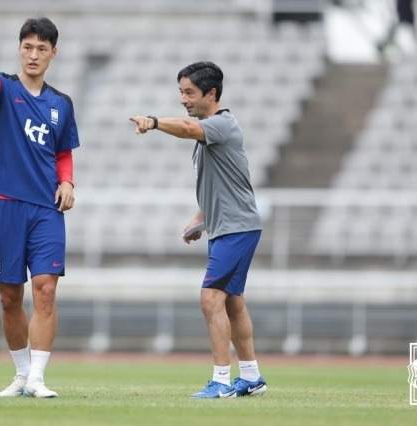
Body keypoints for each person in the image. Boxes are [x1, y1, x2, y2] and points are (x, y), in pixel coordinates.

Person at [129, 61, 267, 399]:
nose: (183, 99)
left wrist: (155, 122)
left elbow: (189, 129)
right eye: (181, 92)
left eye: (189, 92)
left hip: (237, 229)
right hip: (229, 227)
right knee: (232, 302)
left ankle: (221, 382)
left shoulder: (221, 124)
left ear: (211, 94)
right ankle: (251, 377)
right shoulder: (214, 130)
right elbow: (224, 186)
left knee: (210, 299)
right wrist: (201, 218)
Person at [0, 17, 79, 398]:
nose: (33, 55)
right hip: (4, 203)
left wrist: (67, 181)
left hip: (46, 208)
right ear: (19, 49)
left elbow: (63, 152)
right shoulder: (3, 88)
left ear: (53, 53)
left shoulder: (61, 103)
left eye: (41, 49)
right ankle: (21, 374)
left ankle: (38, 379)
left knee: (45, 290)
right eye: (27, 47)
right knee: (9, 296)